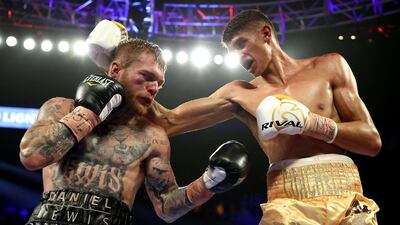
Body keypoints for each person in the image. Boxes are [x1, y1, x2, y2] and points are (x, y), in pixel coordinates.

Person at [149, 9, 382, 225]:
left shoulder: (329, 67)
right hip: (287, 205)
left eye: (242, 44)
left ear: (266, 34)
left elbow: (372, 142)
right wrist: (119, 71)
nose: (240, 57)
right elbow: (169, 121)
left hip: (346, 200)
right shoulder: (240, 94)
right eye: (233, 52)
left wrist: (313, 124)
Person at [19, 29, 250, 224]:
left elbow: (166, 207)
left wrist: (208, 183)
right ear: (115, 70)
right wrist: (87, 111)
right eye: (146, 76)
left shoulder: (152, 136)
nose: (154, 88)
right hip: (50, 216)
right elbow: (32, 156)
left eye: (159, 82)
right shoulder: (61, 108)